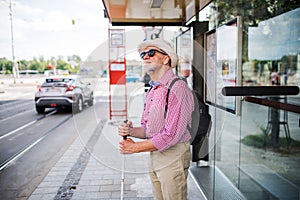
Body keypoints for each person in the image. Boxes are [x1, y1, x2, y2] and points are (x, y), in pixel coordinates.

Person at [118, 38, 194, 200]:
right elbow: (148, 129)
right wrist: (130, 131)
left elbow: (170, 136)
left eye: (151, 53)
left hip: (173, 156)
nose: (145, 57)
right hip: (155, 154)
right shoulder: (153, 90)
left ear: (166, 58)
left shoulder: (178, 88)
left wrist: (135, 148)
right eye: (143, 54)